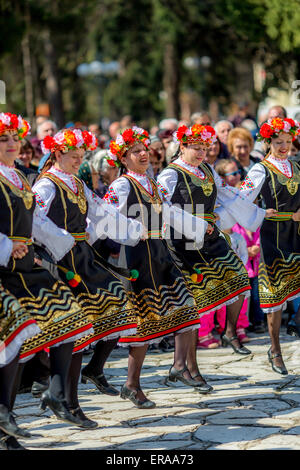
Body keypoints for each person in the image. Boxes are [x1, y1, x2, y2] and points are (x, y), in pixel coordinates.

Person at [34, 128, 145, 421]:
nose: (78, 161)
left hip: (81, 256)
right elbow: (34, 220)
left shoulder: (76, 183)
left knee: (118, 304)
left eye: (81, 156)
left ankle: (83, 379)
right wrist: (62, 241)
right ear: (58, 154)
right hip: (60, 261)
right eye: (73, 157)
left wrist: (134, 229)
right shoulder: (46, 186)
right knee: (73, 333)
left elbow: (101, 212)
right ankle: (67, 402)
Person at [0, 113, 94, 448]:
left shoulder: (19, 178)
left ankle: (55, 393)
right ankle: (5, 419)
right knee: (12, 343)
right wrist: (7, 245)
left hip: (26, 265)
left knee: (71, 319)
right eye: (3, 140)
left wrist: (68, 243)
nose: (12, 145)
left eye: (15, 138)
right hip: (3, 269)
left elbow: (37, 220)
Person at [104, 126, 213, 406]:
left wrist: (200, 227)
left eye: (145, 149)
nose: (144, 153)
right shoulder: (122, 185)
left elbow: (171, 211)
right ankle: (131, 385)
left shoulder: (151, 183)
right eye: (136, 151)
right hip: (137, 256)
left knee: (187, 307)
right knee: (144, 322)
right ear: (123, 158)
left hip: (160, 251)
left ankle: (178, 366)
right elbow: (105, 219)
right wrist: (132, 229)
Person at [158, 124, 272, 364]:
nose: (202, 153)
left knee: (241, 280)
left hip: (210, 238)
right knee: (194, 304)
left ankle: (230, 332)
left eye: (205, 148)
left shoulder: (207, 170)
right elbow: (163, 209)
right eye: (196, 148)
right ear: (183, 146)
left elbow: (228, 195)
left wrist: (256, 212)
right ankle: (188, 366)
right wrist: (197, 223)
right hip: (183, 243)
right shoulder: (170, 174)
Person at [239, 116, 300, 374]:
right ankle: (275, 348)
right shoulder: (260, 169)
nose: (284, 146)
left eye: (288, 141)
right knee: (275, 296)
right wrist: (261, 213)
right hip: (273, 235)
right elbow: (242, 200)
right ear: (268, 141)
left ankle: (296, 322)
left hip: (296, 232)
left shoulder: (297, 167)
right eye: (278, 141)